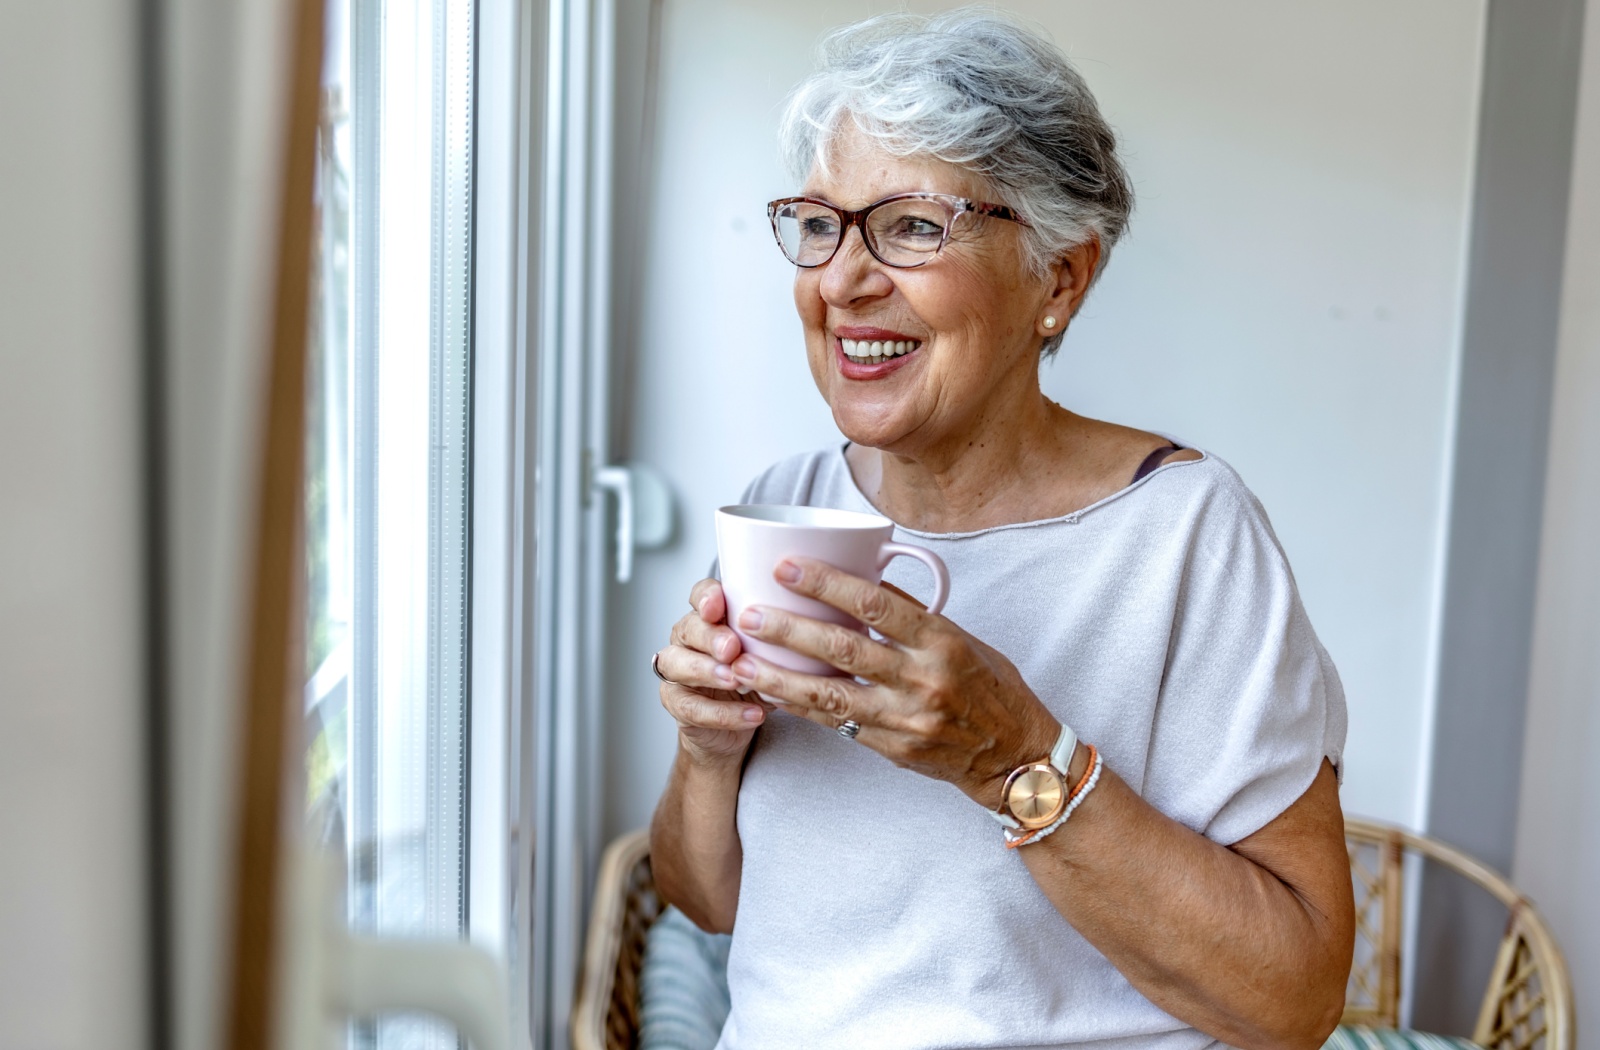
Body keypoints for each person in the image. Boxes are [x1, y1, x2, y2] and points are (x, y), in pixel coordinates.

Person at [648, 9, 1353, 1049]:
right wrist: (708, 750)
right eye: (820, 223)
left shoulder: (1184, 537)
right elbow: (709, 904)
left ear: (1058, 278)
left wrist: (1015, 758)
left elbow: (1292, 999)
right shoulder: (783, 502)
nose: (842, 281)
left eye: (912, 226)